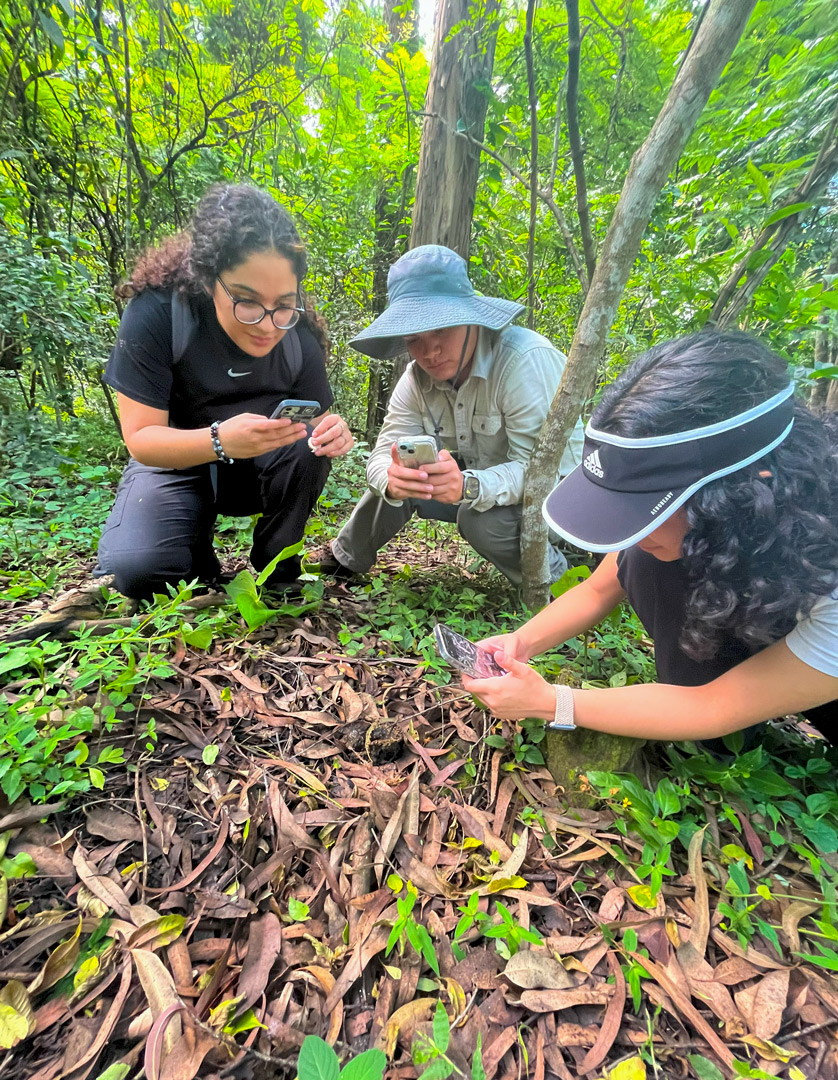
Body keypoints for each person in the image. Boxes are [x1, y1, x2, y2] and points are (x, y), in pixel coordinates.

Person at [462, 330, 838, 745]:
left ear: (742, 491)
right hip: (785, 620)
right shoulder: (719, 521)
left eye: (647, 507)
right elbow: (598, 589)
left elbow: (712, 707)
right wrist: (520, 641)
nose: (630, 533)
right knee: (646, 556)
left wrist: (552, 702)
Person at [96, 183, 354, 599]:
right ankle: (193, 552)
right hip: (177, 462)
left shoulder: (298, 335)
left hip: (258, 471)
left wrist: (332, 433)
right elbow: (141, 438)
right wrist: (219, 440)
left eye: (284, 304)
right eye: (247, 301)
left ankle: (277, 563)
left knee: (307, 442)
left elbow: (316, 423)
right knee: (140, 573)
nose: (269, 323)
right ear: (208, 278)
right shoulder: (159, 314)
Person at [311, 245, 584, 585]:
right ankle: (345, 558)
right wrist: (392, 481)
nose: (430, 351)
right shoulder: (416, 379)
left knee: (478, 520)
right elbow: (382, 455)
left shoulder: (522, 361)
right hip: (485, 482)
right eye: (414, 338)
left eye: (442, 329)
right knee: (404, 473)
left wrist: (467, 486)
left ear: (471, 319)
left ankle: (563, 584)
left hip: (562, 503)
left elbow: (541, 472)